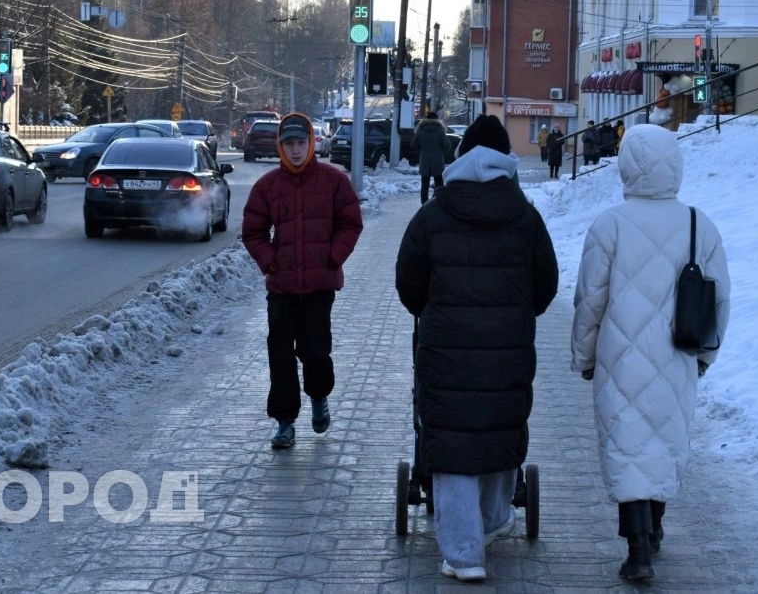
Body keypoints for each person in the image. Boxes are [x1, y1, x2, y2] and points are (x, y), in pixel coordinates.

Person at [396, 114, 558, 583]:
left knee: (450, 440)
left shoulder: (433, 215)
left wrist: (435, 311)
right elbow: (545, 287)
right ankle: (493, 521)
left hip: (445, 350)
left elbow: (409, 286)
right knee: (497, 428)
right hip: (507, 351)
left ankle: (464, 553)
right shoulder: (525, 217)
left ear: (460, 155)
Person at [569, 124, 731, 582]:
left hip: (618, 355)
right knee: (662, 437)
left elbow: (590, 299)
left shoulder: (610, 224)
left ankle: (637, 548)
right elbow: (719, 299)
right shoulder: (700, 224)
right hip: (678, 354)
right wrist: (706, 355)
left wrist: (584, 355)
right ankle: (655, 526)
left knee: (627, 442)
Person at [242, 112, 364, 450]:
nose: (295, 150)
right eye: (289, 144)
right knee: (280, 354)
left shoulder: (332, 181)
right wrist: (271, 262)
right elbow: (252, 231)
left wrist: (333, 256)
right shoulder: (267, 186)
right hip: (281, 287)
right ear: (281, 147)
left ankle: (319, 395)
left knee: (315, 352)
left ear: (312, 143)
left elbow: (351, 223)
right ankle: (284, 422)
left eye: (301, 143)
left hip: (319, 286)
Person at [411, 111, 451, 205]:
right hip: (438, 160)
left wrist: (422, 149)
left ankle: (424, 203)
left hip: (424, 160)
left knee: (425, 184)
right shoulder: (440, 130)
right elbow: (448, 145)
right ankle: (438, 201)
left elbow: (413, 145)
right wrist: (441, 151)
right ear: (437, 119)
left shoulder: (420, 130)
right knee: (439, 183)